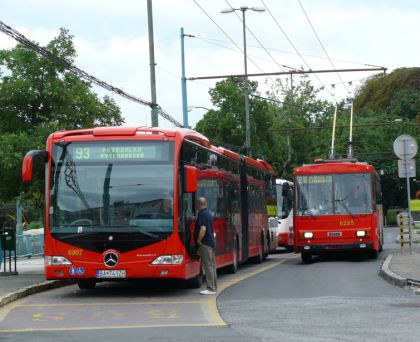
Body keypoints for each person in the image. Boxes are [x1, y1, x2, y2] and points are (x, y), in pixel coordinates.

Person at [194, 197, 217, 295]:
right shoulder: (208, 213)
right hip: (211, 242)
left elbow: (203, 229)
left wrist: (199, 241)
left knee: (208, 266)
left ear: (199, 205)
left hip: (206, 243)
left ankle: (210, 288)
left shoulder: (202, 214)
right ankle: (214, 287)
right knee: (212, 266)